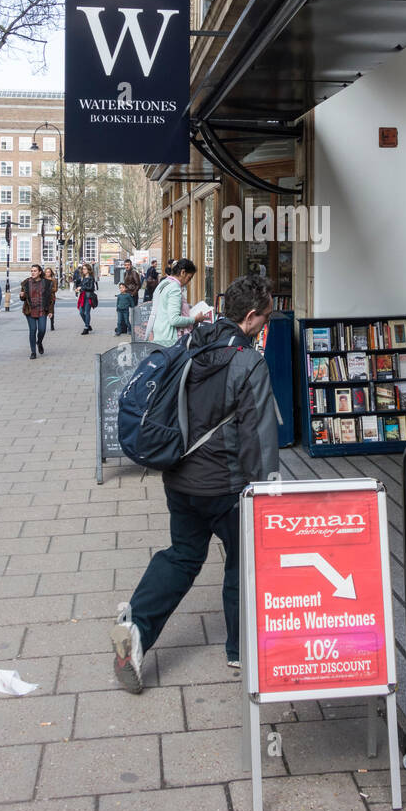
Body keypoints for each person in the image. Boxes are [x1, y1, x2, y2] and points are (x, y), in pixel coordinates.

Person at [111, 273, 279, 692]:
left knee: (183, 556)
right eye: (267, 317)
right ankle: (241, 649)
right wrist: (267, 490)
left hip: (179, 477)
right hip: (225, 485)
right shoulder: (248, 361)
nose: (266, 324)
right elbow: (258, 437)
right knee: (243, 560)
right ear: (253, 317)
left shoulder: (192, 341)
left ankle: (135, 629)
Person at [150, 258, 205, 347]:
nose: (188, 282)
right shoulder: (174, 288)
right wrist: (195, 319)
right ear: (183, 272)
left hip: (160, 334)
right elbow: (174, 320)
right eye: (189, 278)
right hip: (170, 339)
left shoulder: (164, 283)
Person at [20, 263, 53, 359]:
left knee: (42, 329)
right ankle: (33, 352)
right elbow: (23, 298)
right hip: (30, 310)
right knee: (32, 330)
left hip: (42, 309)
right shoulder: (26, 283)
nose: (33, 272)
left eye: (35, 271)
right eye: (32, 271)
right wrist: (22, 296)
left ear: (39, 272)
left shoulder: (46, 283)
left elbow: (50, 298)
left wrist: (50, 311)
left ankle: (39, 342)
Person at [78, 262, 97, 334]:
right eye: (83, 269)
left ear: (88, 270)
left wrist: (82, 287)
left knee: (87, 312)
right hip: (82, 297)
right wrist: (78, 288)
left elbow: (91, 288)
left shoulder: (91, 278)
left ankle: (86, 328)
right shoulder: (83, 277)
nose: (83, 270)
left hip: (88, 297)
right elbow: (81, 286)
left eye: (85, 269)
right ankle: (88, 325)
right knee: (81, 312)